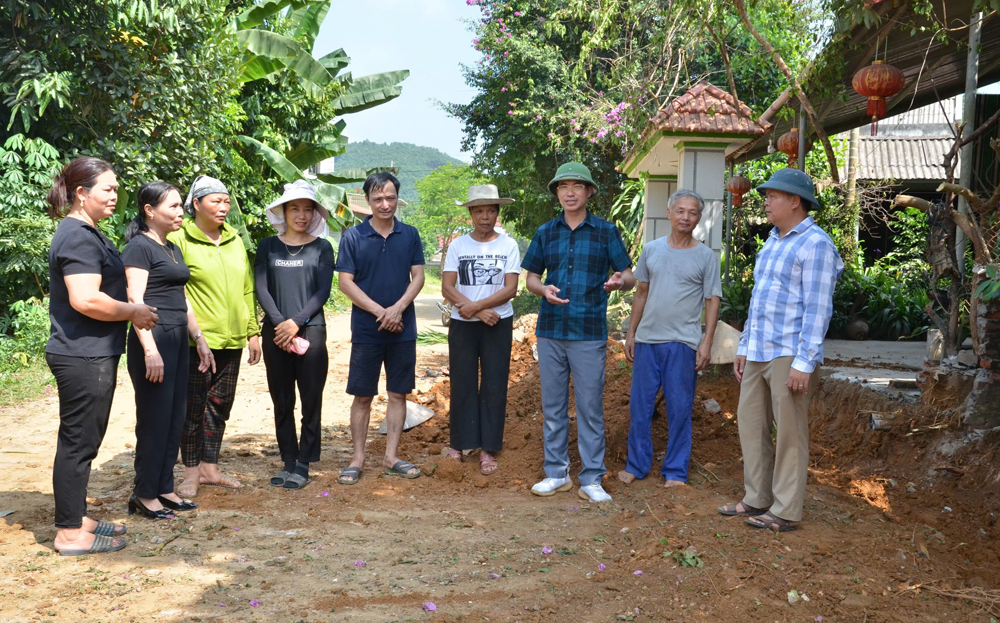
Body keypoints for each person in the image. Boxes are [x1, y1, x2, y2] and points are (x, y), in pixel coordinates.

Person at [718, 168, 843, 532]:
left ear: (795, 201)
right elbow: (759, 301)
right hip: (759, 348)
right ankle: (757, 497)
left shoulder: (816, 244)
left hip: (790, 351)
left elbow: (818, 309)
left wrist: (804, 362)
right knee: (751, 424)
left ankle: (786, 510)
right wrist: (744, 345)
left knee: (789, 432)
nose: (766, 201)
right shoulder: (773, 241)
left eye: (773, 195)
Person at [44, 157, 159, 555]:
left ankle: (75, 518)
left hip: (91, 352)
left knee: (84, 440)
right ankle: (69, 533)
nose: (115, 196)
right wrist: (134, 312)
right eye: (108, 189)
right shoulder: (76, 236)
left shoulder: (86, 232)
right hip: (82, 354)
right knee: (78, 442)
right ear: (82, 193)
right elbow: (86, 298)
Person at [522, 162, 634, 503]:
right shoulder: (546, 232)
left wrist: (619, 281)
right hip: (551, 330)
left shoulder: (605, 232)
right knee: (553, 406)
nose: (570, 192)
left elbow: (628, 275)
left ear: (588, 192)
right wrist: (543, 291)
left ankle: (591, 478)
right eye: (563, 186)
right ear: (557, 193)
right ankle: (556, 474)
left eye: (577, 186)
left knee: (589, 407)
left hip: (588, 331)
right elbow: (530, 279)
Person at [122, 182, 214, 519]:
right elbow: (135, 302)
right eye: (173, 207)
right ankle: (144, 494)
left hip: (178, 339)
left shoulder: (172, 247)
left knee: (175, 415)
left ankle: (164, 488)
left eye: (180, 206)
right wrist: (149, 349)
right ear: (150, 210)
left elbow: (182, 299)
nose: (180, 212)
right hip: (154, 338)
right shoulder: (138, 248)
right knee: (154, 418)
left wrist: (199, 338)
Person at [619, 190, 721, 487]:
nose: (685, 217)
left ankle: (675, 471)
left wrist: (707, 342)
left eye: (692, 212)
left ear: (699, 218)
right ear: (669, 213)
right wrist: (631, 332)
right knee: (640, 407)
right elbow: (641, 291)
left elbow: (712, 300)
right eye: (680, 211)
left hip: (683, 343)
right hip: (648, 340)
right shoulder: (651, 250)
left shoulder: (705, 256)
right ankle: (636, 465)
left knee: (679, 408)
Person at [169, 176, 261, 498]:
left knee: (219, 406)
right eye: (215, 201)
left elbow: (247, 287)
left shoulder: (235, 239)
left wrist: (252, 331)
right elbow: (176, 290)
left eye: (226, 201)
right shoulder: (179, 239)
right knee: (192, 407)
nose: (224, 208)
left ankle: (211, 468)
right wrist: (196, 334)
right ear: (196, 205)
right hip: (198, 341)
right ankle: (191, 472)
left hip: (232, 339)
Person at [335, 172, 425, 485]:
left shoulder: (410, 235)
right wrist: (380, 312)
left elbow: (419, 277)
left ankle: (391, 456)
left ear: (397, 198)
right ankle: (357, 458)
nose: (384, 204)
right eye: (378, 199)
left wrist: (398, 310)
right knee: (362, 396)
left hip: (403, 329)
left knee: (398, 394)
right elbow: (345, 282)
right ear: (368, 200)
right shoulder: (353, 237)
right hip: (367, 330)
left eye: (390, 197)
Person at [255, 181, 335, 490]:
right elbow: (261, 287)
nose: (301, 215)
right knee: (282, 399)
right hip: (275, 334)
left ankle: (304, 462)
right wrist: (281, 325)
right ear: (283, 211)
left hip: (311, 331)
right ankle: (288, 459)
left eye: (307, 209)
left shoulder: (321, 247)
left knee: (311, 398)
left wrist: (296, 322)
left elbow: (323, 291)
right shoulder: (268, 246)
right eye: (294, 208)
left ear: (314, 214)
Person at [441, 185, 521, 476]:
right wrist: (475, 309)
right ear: (471, 214)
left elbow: (511, 288)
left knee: (494, 385)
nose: (484, 216)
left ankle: (488, 449)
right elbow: (447, 287)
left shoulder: (508, 245)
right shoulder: (459, 245)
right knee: (462, 383)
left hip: (497, 324)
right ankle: (459, 445)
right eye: (478, 211)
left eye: (490, 210)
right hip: (463, 325)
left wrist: (478, 307)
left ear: (497, 213)